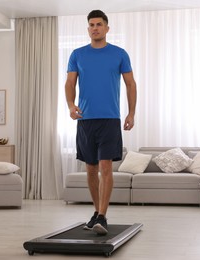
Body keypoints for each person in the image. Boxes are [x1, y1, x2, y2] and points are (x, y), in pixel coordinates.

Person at [65, 10, 137, 235]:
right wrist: (70, 105)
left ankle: (103, 215)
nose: (95, 28)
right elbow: (69, 83)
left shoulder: (119, 54)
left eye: (99, 24)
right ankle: (97, 212)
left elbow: (131, 84)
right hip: (86, 120)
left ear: (107, 28)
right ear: (88, 29)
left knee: (105, 166)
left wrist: (131, 113)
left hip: (109, 119)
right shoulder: (77, 54)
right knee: (90, 168)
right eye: (91, 25)